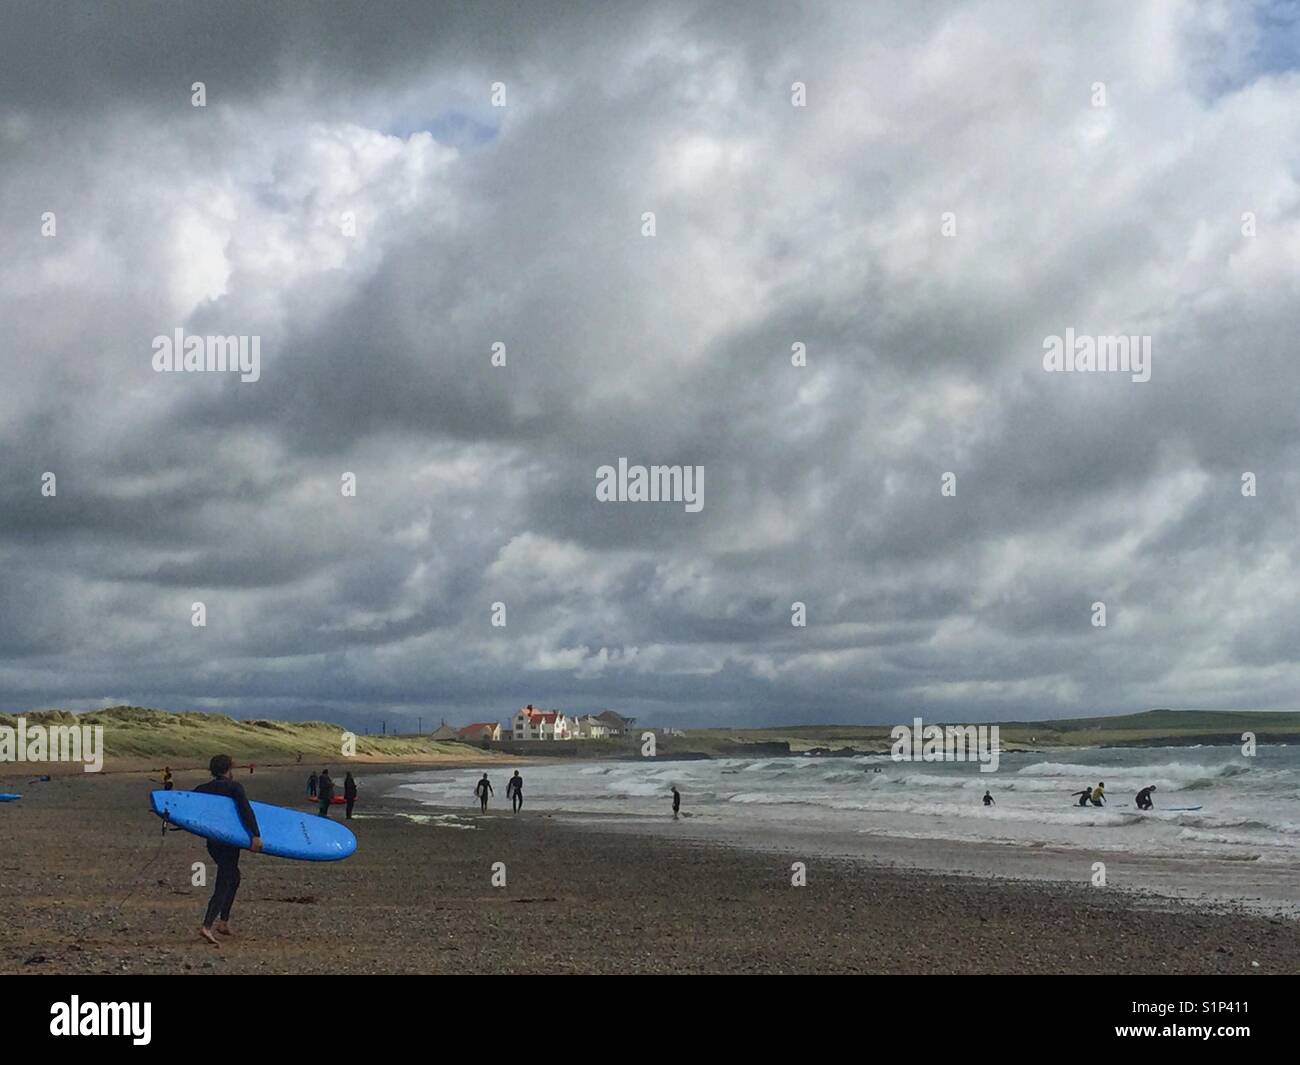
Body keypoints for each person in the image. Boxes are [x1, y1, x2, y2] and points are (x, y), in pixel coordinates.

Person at [195, 754, 261, 946]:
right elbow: (245, 810)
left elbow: (188, 806)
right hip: (229, 841)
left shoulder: (203, 788)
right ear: (228, 769)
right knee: (225, 880)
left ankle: (223, 923)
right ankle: (207, 926)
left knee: (234, 876)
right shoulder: (234, 787)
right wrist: (255, 835)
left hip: (213, 841)